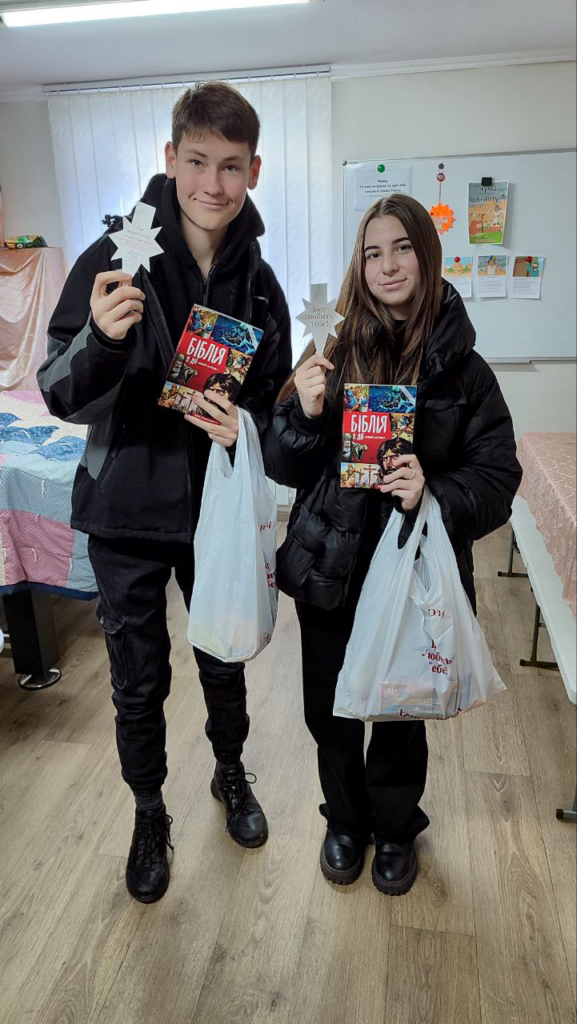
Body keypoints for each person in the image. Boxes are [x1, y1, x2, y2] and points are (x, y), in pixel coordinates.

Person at [38, 82, 292, 904]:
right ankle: (150, 810)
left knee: (224, 657)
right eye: (196, 162)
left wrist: (246, 424)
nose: (212, 185)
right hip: (123, 511)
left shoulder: (258, 282)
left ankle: (228, 770)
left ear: (253, 170)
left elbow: (276, 403)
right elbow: (55, 391)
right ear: (168, 160)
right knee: (136, 678)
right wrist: (102, 344)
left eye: (229, 166)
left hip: (216, 512)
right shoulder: (114, 253)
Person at [263, 194, 522, 896]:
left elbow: (498, 477)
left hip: (412, 571)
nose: (386, 265)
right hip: (330, 564)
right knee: (330, 707)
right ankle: (344, 820)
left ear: (425, 256)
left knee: (403, 709)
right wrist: (306, 413)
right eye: (371, 252)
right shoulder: (332, 352)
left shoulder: (467, 375)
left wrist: (430, 490)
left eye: (401, 247)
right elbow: (281, 464)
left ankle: (395, 825)